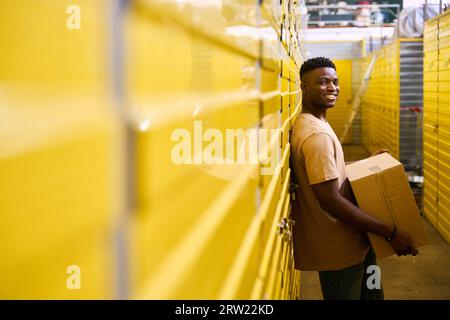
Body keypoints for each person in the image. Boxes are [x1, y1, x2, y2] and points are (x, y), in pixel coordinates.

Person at [290, 57, 418, 300]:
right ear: (303, 87)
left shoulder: (317, 124)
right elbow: (330, 201)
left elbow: (328, 174)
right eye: (322, 82)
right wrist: (390, 233)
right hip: (339, 252)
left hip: (357, 243)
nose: (332, 87)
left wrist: (365, 163)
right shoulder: (316, 136)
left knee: (373, 295)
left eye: (335, 82)